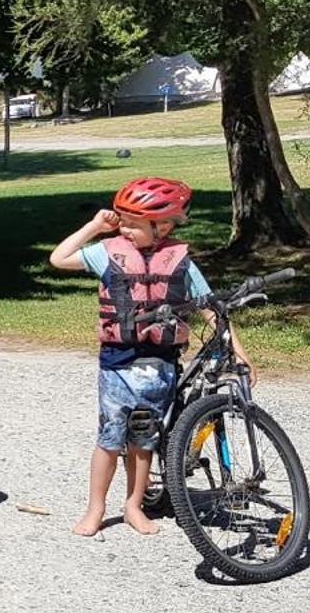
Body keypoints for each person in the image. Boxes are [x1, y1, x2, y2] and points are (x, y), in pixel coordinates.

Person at [48, 176, 247, 537]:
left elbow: (211, 308)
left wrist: (238, 349)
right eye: (121, 220)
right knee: (110, 439)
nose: (123, 228)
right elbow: (58, 258)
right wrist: (95, 225)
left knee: (143, 440)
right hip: (118, 362)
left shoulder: (180, 261)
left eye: (132, 223)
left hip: (160, 364)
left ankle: (133, 506)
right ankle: (95, 508)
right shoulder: (107, 251)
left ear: (163, 226)